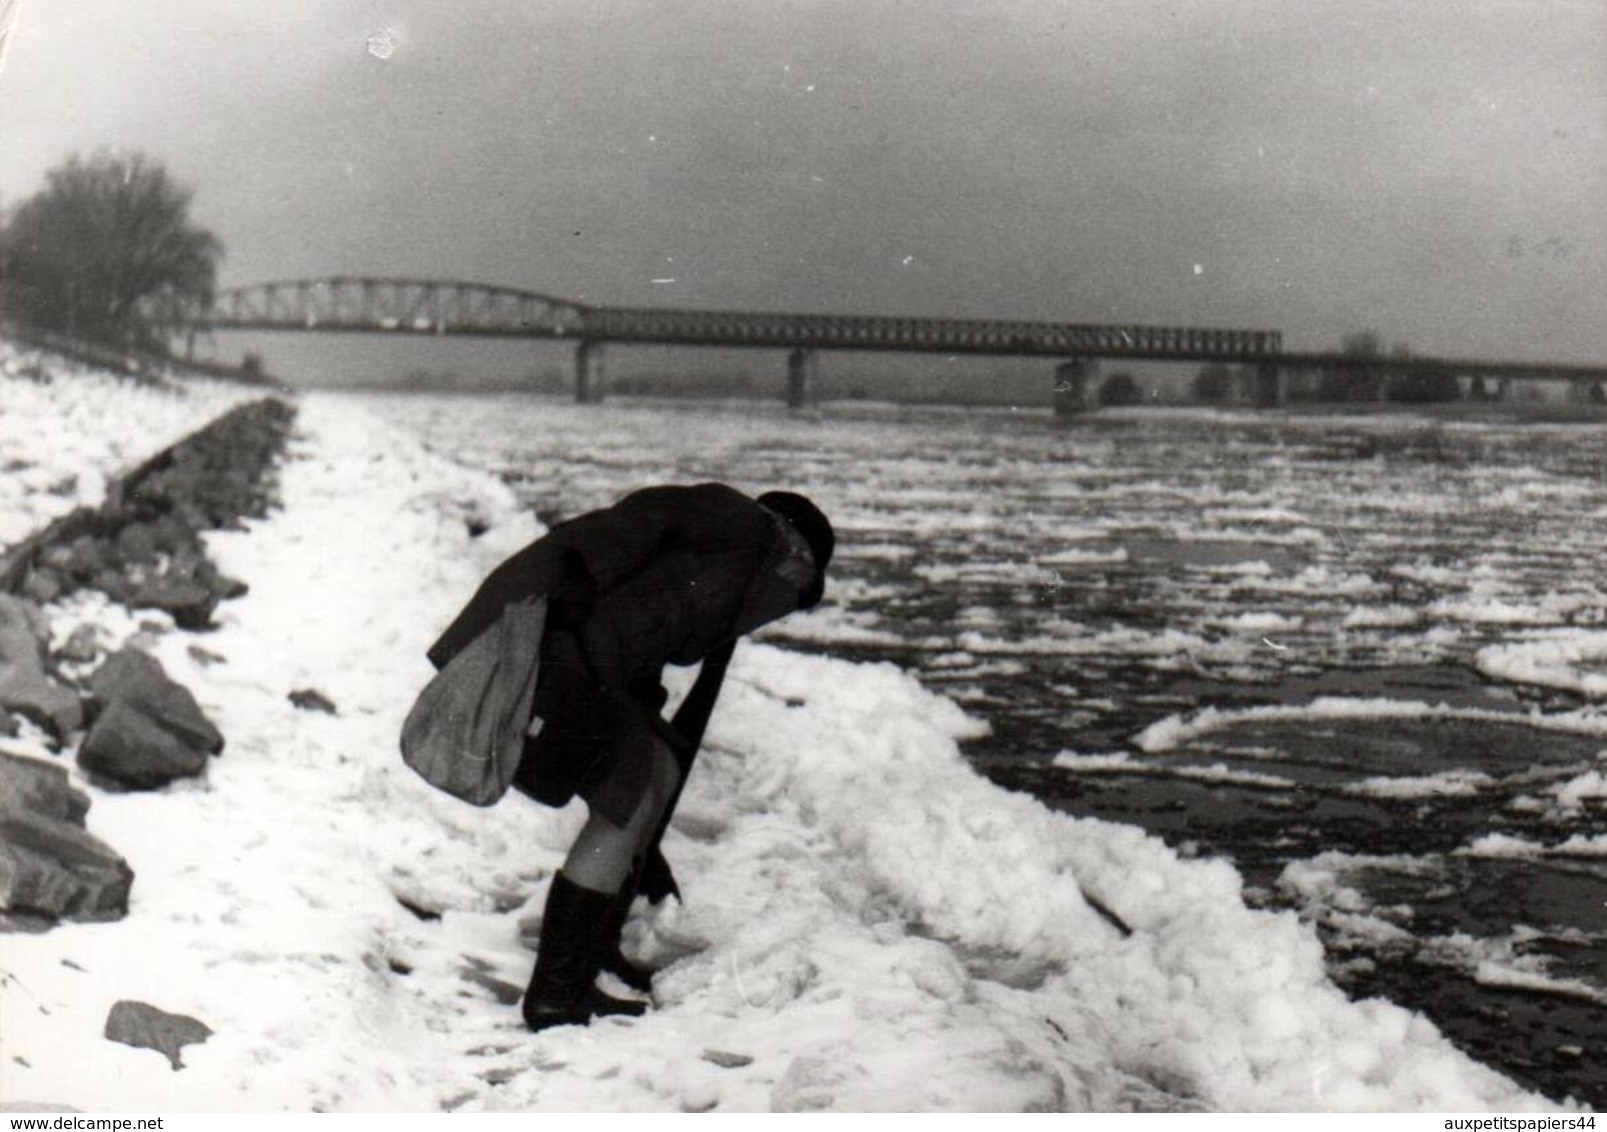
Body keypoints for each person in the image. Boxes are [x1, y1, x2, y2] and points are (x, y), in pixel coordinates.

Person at [425, 483, 834, 1033]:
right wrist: (570, 597)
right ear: (797, 552)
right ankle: (556, 995)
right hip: (549, 643)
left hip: (577, 655)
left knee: (656, 770)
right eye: (801, 583)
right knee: (629, 796)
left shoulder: (733, 567)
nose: (786, 601)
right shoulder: (739, 523)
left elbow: (646, 624)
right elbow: (624, 528)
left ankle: (594, 948)